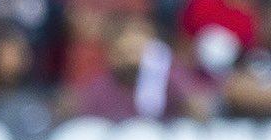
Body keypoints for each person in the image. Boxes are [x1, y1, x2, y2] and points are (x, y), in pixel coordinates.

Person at [71, 14, 212, 121]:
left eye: (138, 51)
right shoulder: (98, 89)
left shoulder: (172, 78)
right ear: (111, 53)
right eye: (126, 52)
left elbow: (200, 109)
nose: (132, 60)